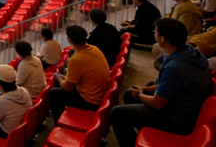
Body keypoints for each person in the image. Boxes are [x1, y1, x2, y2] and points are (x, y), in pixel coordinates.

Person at [111, 18, 213, 147]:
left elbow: (157, 103)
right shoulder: (190, 52)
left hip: (177, 121)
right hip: (185, 109)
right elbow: (168, 86)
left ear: (163, 39)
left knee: (117, 113)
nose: (154, 33)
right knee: (131, 93)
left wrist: (138, 94)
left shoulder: (175, 67)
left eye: (156, 31)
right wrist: (145, 89)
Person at [48, 25, 110, 122]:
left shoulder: (76, 60)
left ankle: (59, 122)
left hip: (90, 101)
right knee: (62, 81)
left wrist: (58, 78)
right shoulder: (94, 48)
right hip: (99, 93)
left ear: (69, 40)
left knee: (53, 93)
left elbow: (68, 87)